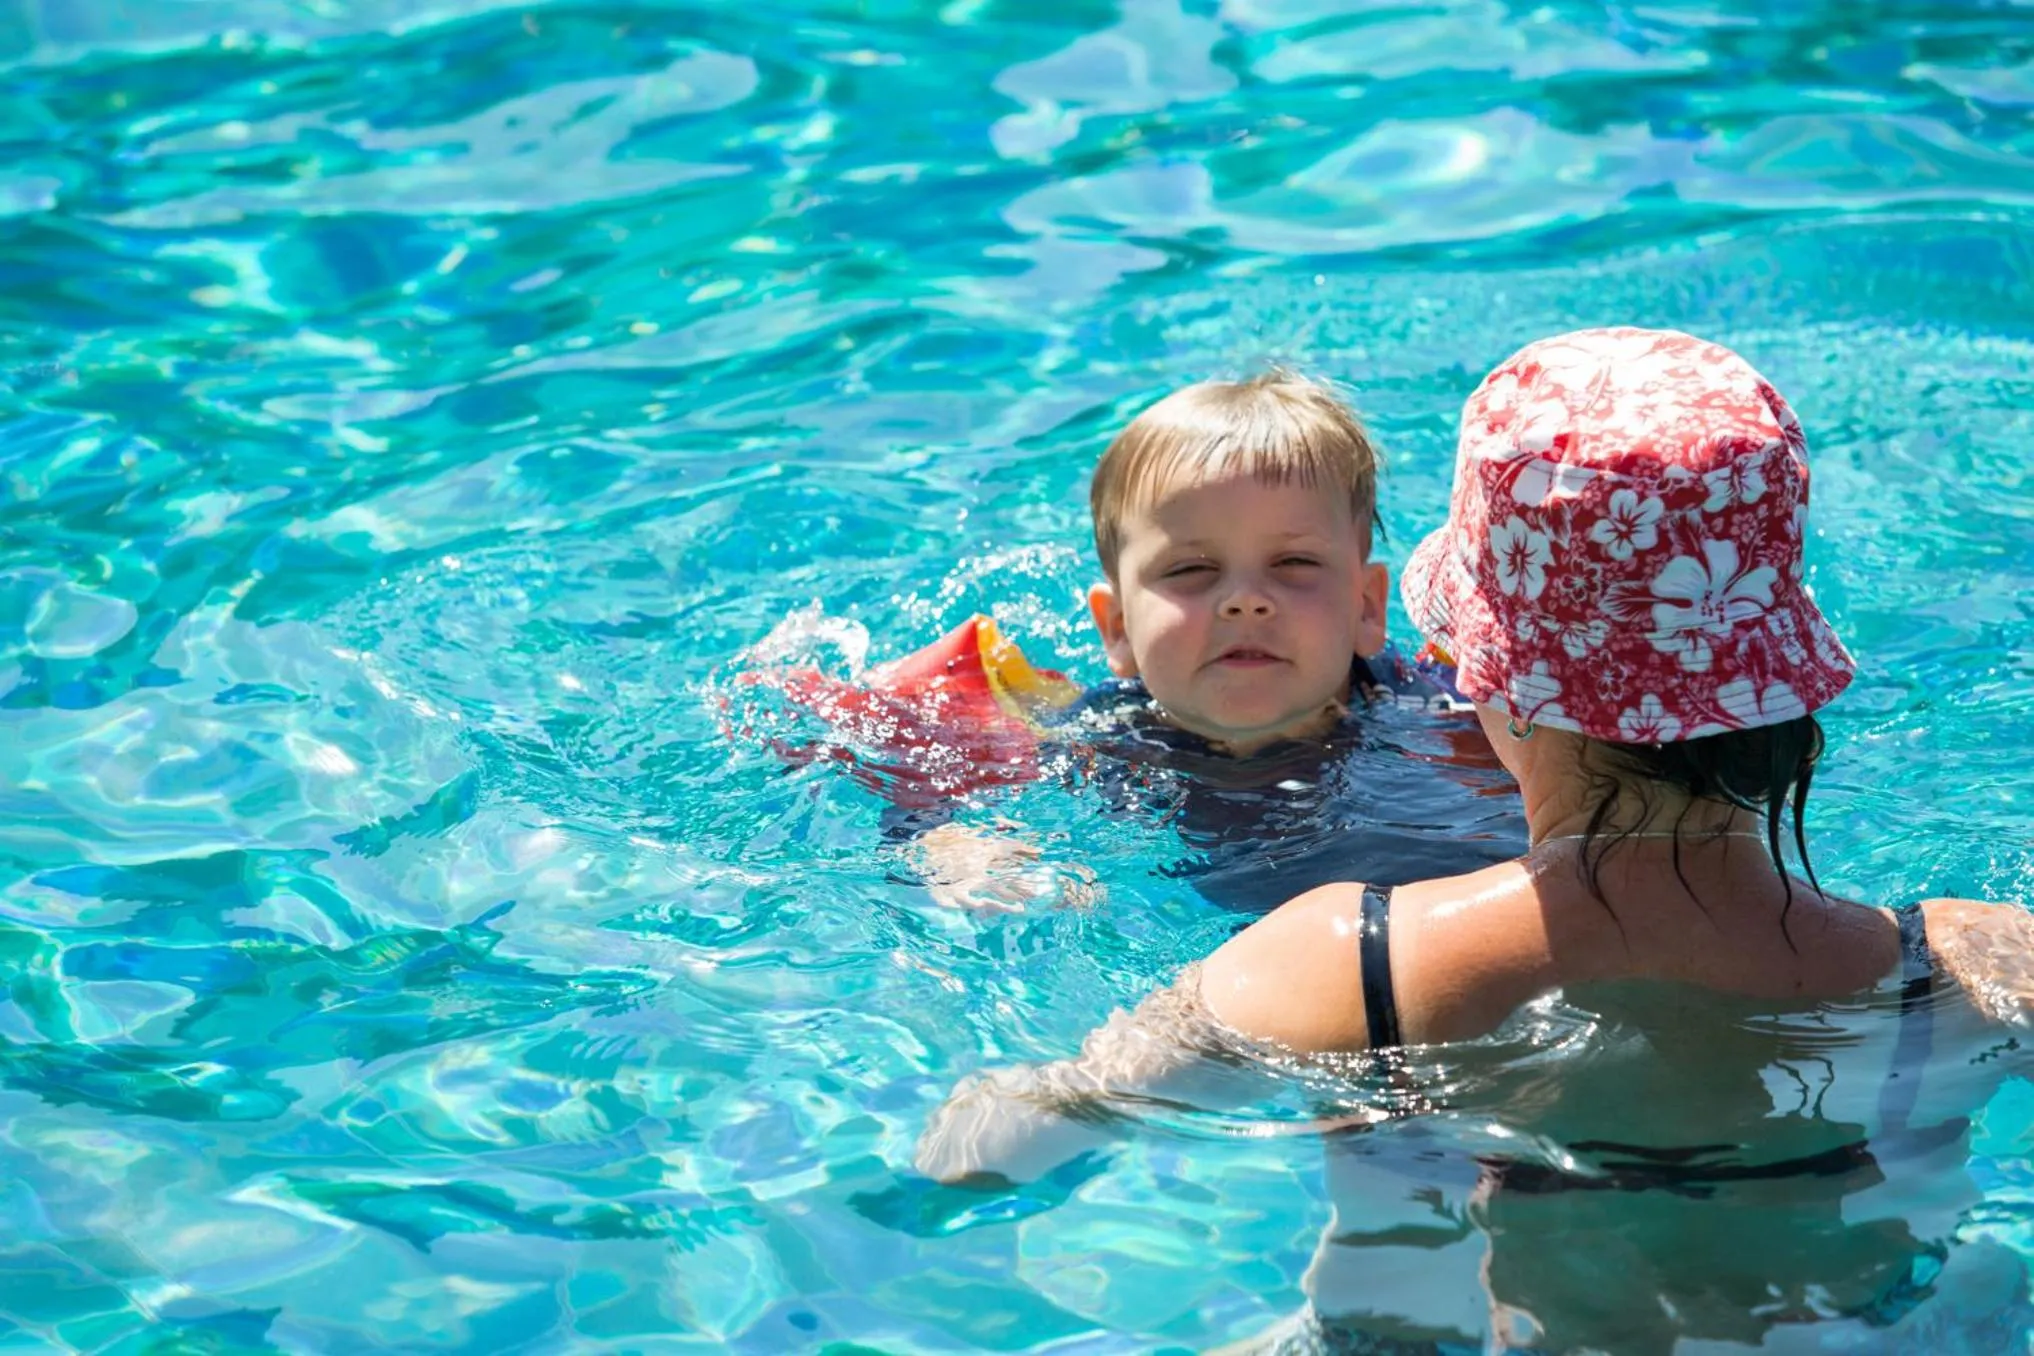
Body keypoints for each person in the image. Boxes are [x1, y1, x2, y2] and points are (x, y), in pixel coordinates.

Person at [915, 328, 2034, 1350]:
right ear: (1772, 674)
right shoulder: (1983, 967)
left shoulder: (1336, 968)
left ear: (1491, 679)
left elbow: (990, 1160)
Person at [907, 369, 1523, 913]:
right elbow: (939, 810)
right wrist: (960, 849)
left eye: (1293, 563)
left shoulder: (1448, 713)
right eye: (1191, 571)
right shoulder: (1099, 744)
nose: (1245, 598)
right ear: (1117, 628)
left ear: (1366, 607)